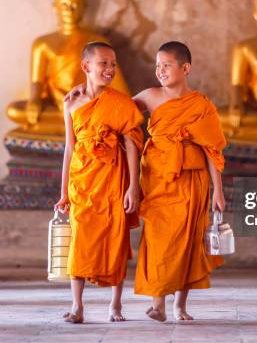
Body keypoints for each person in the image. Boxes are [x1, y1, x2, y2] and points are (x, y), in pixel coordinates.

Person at [65, 41, 227, 322]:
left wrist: (219, 192)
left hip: (191, 177)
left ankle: (178, 306)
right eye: (157, 66)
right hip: (157, 177)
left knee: (187, 240)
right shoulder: (149, 97)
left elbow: (212, 150)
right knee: (158, 238)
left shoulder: (201, 105)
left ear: (185, 68)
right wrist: (80, 90)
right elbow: (114, 109)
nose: (160, 71)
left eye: (166, 65)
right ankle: (158, 304)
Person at [55, 41, 143, 323]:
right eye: (103, 63)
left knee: (116, 239)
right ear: (86, 66)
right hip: (82, 181)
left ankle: (115, 305)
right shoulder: (71, 102)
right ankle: (77, 306)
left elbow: (132, 146)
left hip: (113, 180)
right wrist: (63, 192)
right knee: (79, 240)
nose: (110, 69)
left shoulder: (121, 103)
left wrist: (133, 186)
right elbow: (69, 147)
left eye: (113, 64)